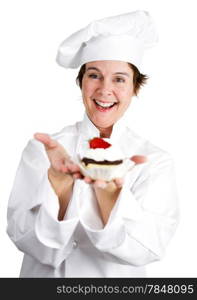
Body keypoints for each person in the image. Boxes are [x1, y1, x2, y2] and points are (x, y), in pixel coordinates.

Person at [7, 11, 179, 277]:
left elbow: (151, 247)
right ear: (81, 82)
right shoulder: (45, 150)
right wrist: (61, 195)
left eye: (119, 79)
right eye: (94, 75)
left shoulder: (154, 161)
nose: (104, 90)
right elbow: (20, 235)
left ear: (135, 87)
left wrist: (111, 199)